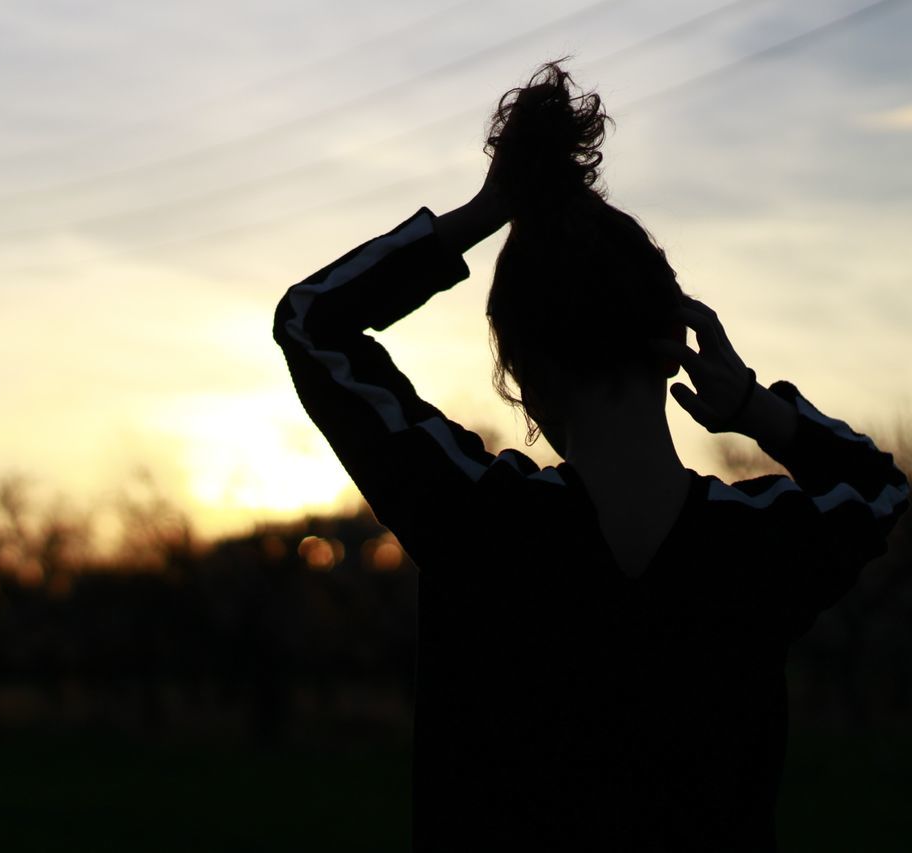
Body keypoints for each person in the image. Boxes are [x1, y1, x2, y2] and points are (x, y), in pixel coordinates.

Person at [271, 62, 909, 851]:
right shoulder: (760, 546)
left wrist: (485, 212)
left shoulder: (480, 522)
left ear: (523, 378)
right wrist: (749, 403)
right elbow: (877, 486)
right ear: (672, 343)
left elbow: (311, 322)